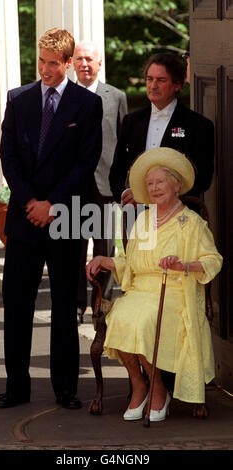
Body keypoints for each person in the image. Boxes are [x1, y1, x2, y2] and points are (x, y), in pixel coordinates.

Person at [0, 29, 103, 409]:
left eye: (53, 63)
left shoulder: (87, 106)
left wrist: (52, 204)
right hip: (25, 218)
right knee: (17, 303)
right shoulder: (18, 99)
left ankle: (66, 389)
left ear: (69, 63)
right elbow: (7, 156)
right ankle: (16, 387)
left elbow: (86, 161)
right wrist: (30, 202)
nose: (44, 69)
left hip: (66, 217)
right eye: (40, 61)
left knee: (63, 305)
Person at [86, 147, 222, 422]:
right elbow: (131, 264)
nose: (154, 188)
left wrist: (183, 265)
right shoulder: (144, 220)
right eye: (149, 184)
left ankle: (158, 388)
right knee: (121, 316)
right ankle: (140, 385)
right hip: (141, 289)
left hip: (175, 291)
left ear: (176, 185)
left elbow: (212, 260)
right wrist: (105, 260)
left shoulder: (191, 222)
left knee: (145, 320)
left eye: (160, 182)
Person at [109, 52, 214, 206]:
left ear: (177, 85)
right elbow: (116, 173)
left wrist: (165, 197)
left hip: (178, 216)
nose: (153, 86)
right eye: (149, 79)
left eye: (161, 80)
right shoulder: (131, 121)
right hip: (137, 217)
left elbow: (203, 179)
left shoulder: (198, 125)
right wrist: (126, 195)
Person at [73, 41, 128, 319]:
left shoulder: (116, 97)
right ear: (72, 63)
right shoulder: (63, 96)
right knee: (73, 245)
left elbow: (124, 141)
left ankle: (102, 305)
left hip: (105, 186)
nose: (84, 64)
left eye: (89, 60)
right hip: (72, 187)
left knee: (105, 246)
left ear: (99, 63)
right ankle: (76, 305)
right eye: (79, 59)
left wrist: (123, 183)